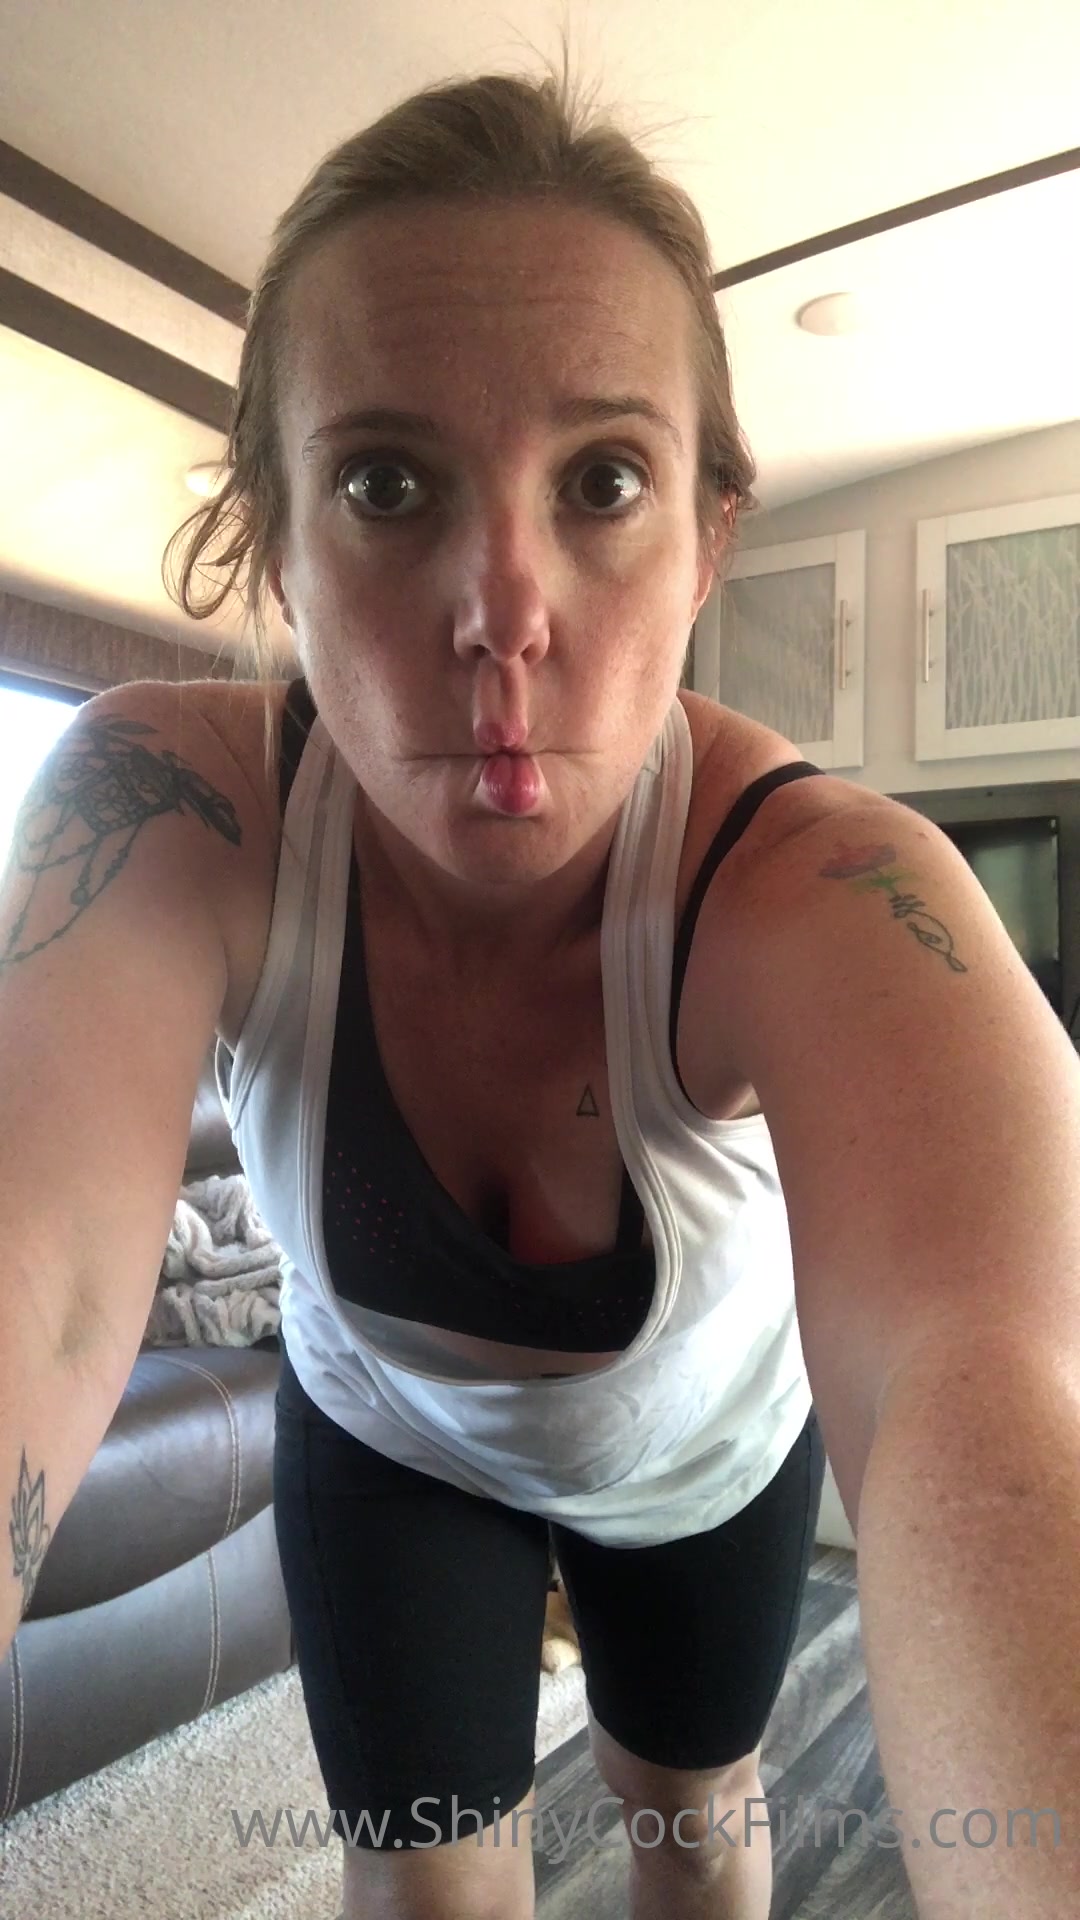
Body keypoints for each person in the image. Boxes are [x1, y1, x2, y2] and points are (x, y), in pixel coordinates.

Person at [4, 43, 1080, 1920]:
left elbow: (990, 1392)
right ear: (275, 544)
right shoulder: (172, 809)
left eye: (601, 479)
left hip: (706, 1459)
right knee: (424, 1881)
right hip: (386, 1434)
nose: (503, 611)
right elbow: (45, 1274)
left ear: (708, 536)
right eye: (387, 481)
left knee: (689, 1821)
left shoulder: (825, 889)